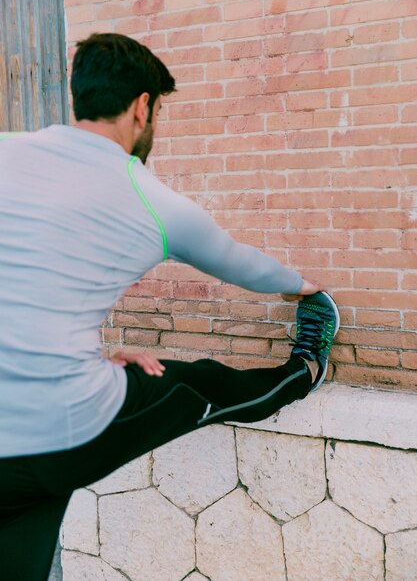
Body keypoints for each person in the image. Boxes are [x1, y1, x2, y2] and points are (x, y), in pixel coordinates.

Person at [0, 33, 339, 581]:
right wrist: (298, 286)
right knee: (201, 384)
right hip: (63, 427)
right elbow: (241, 264)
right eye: (157, 110)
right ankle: (306, 369)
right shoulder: (151, 200)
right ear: (141, 107)